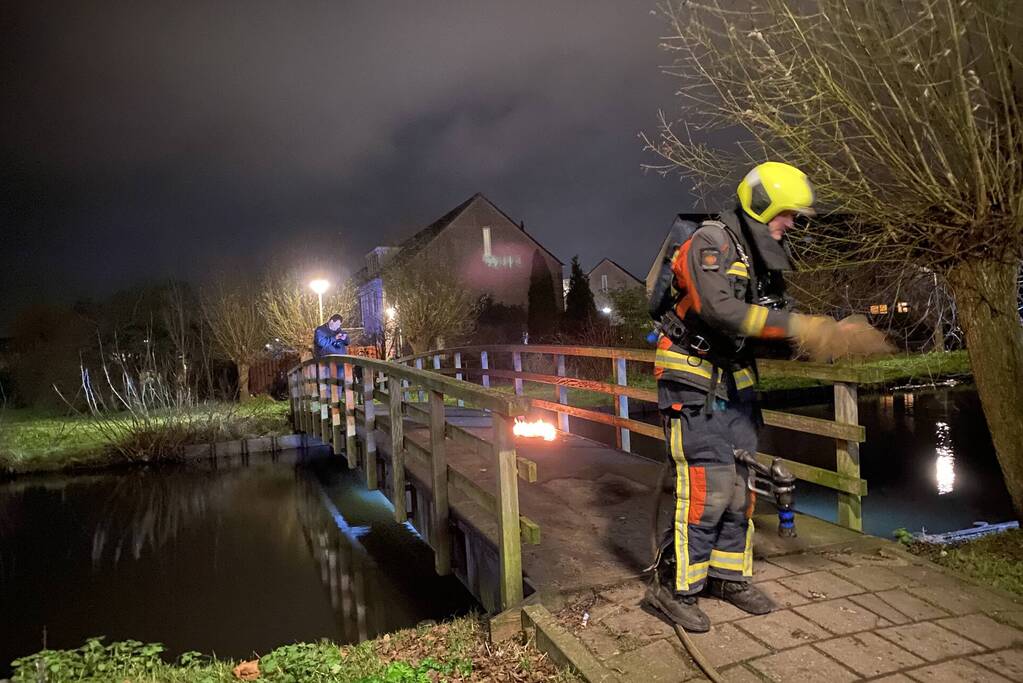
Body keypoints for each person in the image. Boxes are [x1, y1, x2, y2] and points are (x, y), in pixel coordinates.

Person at [644, 162, 890, 632]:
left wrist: (827, 334)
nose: (793, 224)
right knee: (706, 488)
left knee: (740, 487)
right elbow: (722, 311)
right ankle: (674, 586)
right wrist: (801, 327)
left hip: (736, 384)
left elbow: (770, 321)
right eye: (790, 214)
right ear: (763, 204)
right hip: (693, 383)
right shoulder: (710, 243)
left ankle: (727, 577)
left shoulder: (761, 256)